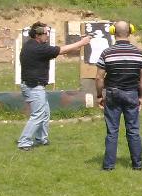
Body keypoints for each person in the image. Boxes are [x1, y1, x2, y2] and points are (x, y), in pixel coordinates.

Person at [17, 22, 90, 151]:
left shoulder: (31, 45)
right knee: (38, 114)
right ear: (37, 35)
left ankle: (41, 139)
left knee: (44, 114)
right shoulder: (37, 48)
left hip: (34, 86)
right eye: (45, 33)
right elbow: (62, 50)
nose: (47, 35)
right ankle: (24, 142)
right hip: (34, 87)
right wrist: (82, 43)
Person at [96, 21, 142, 170]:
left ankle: (108, 166)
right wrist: (140, 95)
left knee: (112, 131)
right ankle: (137, 165)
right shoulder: (139, 53)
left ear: (113, 32)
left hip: (112, 94)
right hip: (132, 93)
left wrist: (100, 95)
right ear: (130, 31)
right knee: (133, 130)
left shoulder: (106, 53)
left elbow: (99, 77)